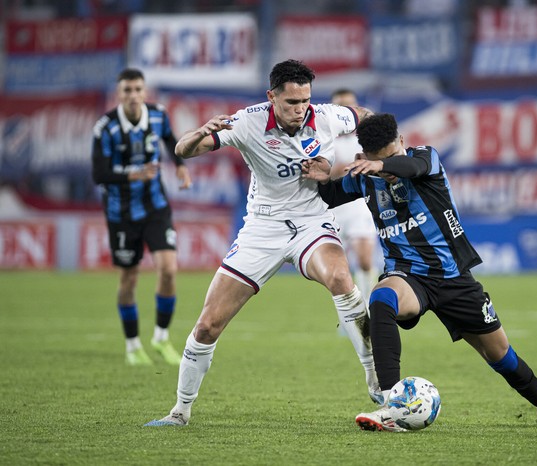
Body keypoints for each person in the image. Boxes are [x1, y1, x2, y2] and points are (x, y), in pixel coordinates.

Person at [302, 113, 537, 431]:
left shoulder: (425, 158)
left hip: (454, 279)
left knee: (500, 357)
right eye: (378, 161)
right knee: (382, 298)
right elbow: (331, 195)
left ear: (401, 141)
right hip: (408, 276)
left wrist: (382, 165)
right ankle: (391, 404)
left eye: (392, 156)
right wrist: (321, 177)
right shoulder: (364, 177)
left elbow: (410, 168)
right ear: (366, 156)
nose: (386, 167)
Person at [144, 59, 379, 427]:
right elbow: (184, 150)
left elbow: (365, 116)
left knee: (340, 279)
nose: (300, 110)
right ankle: (180, 411)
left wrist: (373, 153)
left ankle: (376, 383)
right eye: (291, 103)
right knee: (208, 326)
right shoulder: (247, 121)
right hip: (262, 228)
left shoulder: (329, 116)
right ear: (272, 97)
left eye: (305, 101)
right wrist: (196, 134)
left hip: (311, 222)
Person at [91, 68, 192, 366]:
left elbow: (172, 141)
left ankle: (161, 338)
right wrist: (133, 174)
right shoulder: (105, 128)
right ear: (118, 94)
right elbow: (99, 174)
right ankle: (133, 345)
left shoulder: (158, 115)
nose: (133, 96)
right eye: (127, 91)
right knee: (129, 277)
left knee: (169, 269)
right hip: (121, 213)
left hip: (155, 206)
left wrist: (181, 165)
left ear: (144, 92)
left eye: (138, 90)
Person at [329, 89, 378, 305]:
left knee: (365, 261)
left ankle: (370, 305)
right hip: (334, 208)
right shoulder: (325, 138)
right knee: (336, 269)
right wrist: (341, 168)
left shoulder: (367, 138)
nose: (345, 111)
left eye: (349, 106)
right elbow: (323, 174)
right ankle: (350, 310)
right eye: (340, 106)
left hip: (360, 206)